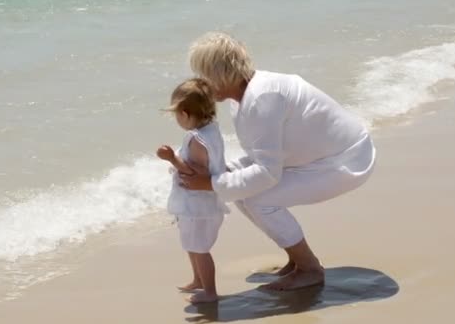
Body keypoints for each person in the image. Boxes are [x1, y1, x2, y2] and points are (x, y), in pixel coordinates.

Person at [179, 32, 376, 291]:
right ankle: (297, 260)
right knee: (243, 190)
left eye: (204, 75)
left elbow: (266, 173)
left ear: (220, 73)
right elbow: (262, 155)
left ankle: (309, 268)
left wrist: (213, 183)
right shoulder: (245, 96)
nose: (199, 83)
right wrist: (220, 174)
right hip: (312, 156)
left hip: (346, 160)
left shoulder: (262, 97)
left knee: (258, 198)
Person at [156, 78, 229, 303]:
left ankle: (210, 292)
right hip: (198, 204)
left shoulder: (198, 140)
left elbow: (195, 172)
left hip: (199, 205)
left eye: (176, 115)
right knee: (191, 245)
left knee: (200, 248)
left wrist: (173, 159)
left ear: (185, 114)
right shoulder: (210, 130)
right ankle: (198, 280)